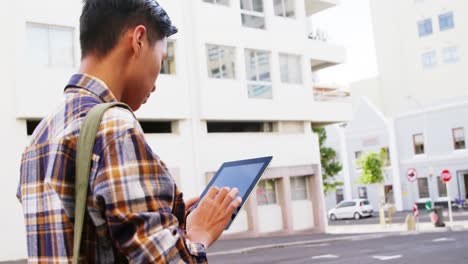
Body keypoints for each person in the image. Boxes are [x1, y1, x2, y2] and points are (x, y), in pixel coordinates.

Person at [17, 0, 241, 263]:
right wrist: (199, 233)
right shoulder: (114, 125)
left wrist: (167, 216)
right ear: (138, 40)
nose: (156, 83)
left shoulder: (41, 134)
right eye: (162, 60)